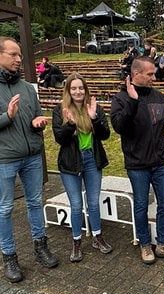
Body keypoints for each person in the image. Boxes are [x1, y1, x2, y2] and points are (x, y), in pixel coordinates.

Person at [0, 36, 58, 283]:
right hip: (3, 159)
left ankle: (40, 246)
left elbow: (35, 118)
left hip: (32, 157)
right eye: (13, 55)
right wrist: (6, 116)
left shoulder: (27, 87)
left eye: (20, 55)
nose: (19, 59)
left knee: (35, 202)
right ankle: (9, 256)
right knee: (4, 208)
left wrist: (38, 125)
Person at [110, 56, 164, 265]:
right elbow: (120, 127)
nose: (154, 77)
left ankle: (163, 244)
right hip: (137, 165)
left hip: (160, 163)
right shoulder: (121, 98)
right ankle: (145, 244)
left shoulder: (158, 96)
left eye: (154, 73)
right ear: (136, 74)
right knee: (140, 205)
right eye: (150, 74)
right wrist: (132, 101)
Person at [52, 73, 113, 262]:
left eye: (81, 88)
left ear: (85, 90)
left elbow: (105, 135)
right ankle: (76, 240)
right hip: (71, 162)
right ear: (68, 91)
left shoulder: (95, 108)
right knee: (76, 204)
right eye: (74, 88)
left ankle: (97, 236)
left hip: (92, 159)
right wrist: (70, 124)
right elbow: (60, 139)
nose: (78, 91)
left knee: (93, 202)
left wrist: (94, 118)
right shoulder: (59, 110)